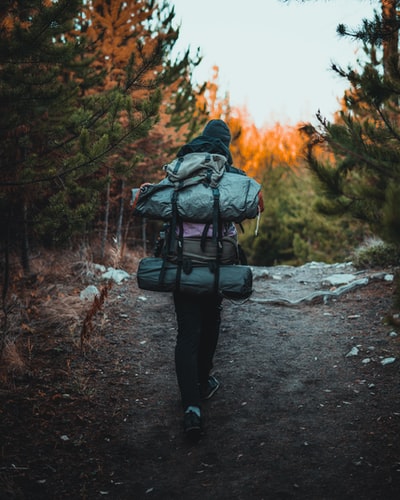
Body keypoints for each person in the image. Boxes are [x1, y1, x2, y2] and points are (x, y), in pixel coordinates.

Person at [171, 119, 245, 442]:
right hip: (215, 262)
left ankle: (191, 408)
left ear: (201, 138)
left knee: (188, 331)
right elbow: (250, 205)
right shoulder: (229, 173)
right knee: (211, 320)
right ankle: (202, 383)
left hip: (180, 262)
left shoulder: (182, 165)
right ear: (226, 144)